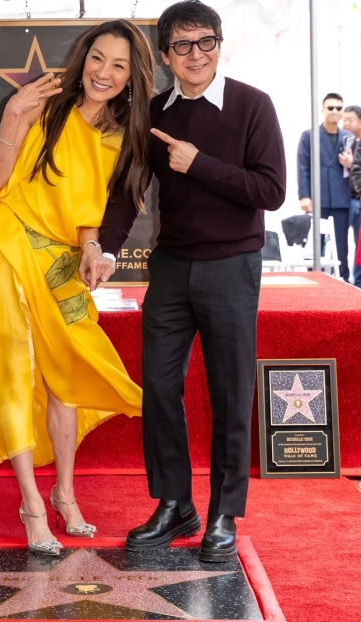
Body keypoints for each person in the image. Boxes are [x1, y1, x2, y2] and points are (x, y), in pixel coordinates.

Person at [99, 0, 285, 563]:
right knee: (158, 387)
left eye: (206, 42)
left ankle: (225, 513)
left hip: (233, 266)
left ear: (219, 45)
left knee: (230, 392)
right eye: (182, 45)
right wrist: (104, 246)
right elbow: (127, 189)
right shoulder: (155, 112)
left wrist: (199, 163)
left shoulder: (253, 105)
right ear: (165, 56)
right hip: (171, 269)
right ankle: (175, 503)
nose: (196, 54)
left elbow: (270, 192)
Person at [0, 19, 154, 556]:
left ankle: (65, 493)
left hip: (61, 262)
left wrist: (94, 249)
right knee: (10, 362)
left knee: (65, 373)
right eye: (98, 58)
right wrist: (13, 113)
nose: (104, 72)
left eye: (118, 65)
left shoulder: (120, 137)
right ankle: (31, 503)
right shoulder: (43, 105)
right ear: (82, 56)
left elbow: (89, 216)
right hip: (6, 245)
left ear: (131, 77)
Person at [297, 93, 353, 281]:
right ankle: (313, 283)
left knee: (341, 248)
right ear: (323, 110)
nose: (335, 111)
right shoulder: (309, 135)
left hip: (341, 199)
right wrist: (304, 195)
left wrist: (350, 163)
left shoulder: (349, 137)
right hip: (317, 198)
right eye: (331, 108)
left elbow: (356, 168)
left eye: (339, 108)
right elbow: (303, 166)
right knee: (315, 247)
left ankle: (343, 284)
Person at [343, 104, 361, 284]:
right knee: (341, 243)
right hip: (345, 199)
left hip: (357, 199)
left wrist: (351, 163)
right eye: (345, 120)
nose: (346, 123)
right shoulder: (345, 142)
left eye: (351, 120)